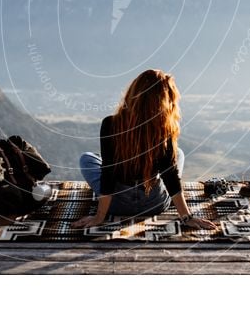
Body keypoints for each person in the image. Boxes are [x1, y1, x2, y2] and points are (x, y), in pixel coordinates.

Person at [73, 69, 217, 231]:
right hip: (154, 204)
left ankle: (107, 205)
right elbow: (170, 175)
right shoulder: (164, 128)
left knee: (88, 158)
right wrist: (187, 217)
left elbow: (109, 174)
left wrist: (100, 217)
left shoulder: (110, 123)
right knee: (179, 155)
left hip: (117, 205)